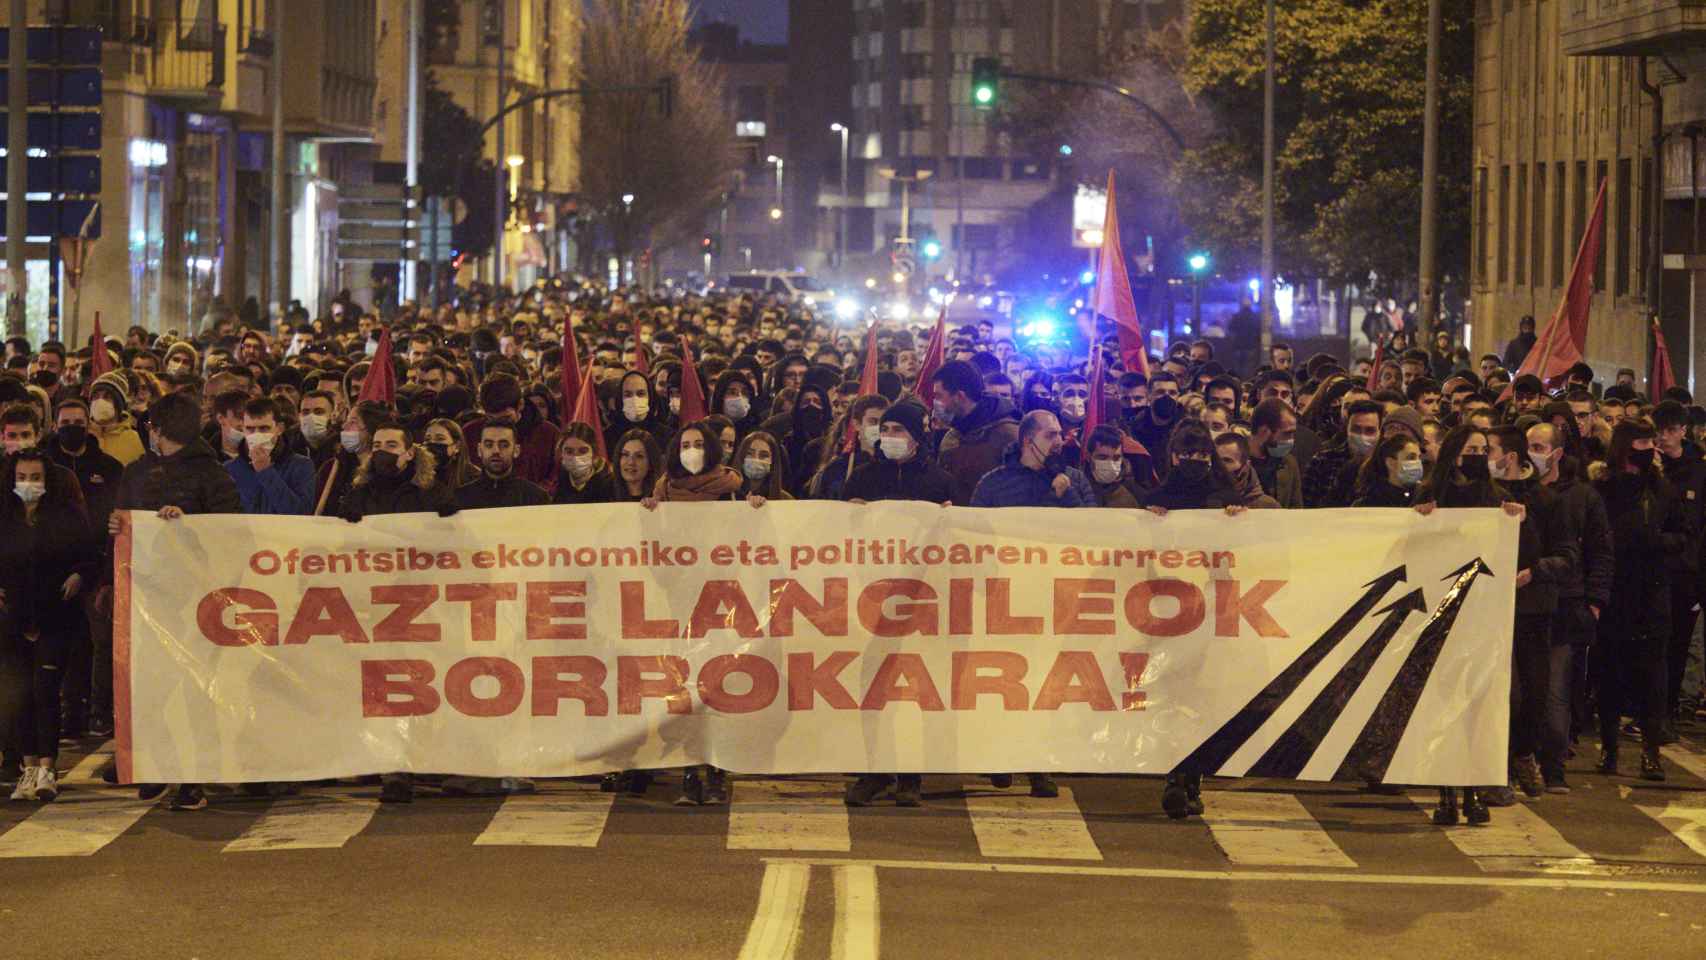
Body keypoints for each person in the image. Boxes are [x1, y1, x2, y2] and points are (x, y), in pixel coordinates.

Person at [108, 391, 241, 810]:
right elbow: (122, 521)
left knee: (194, 693)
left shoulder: (212, 475)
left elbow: (232, 532)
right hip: (147, 597)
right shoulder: (136, 472)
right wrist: (116, 525)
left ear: (159, 429)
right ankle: (157, 768)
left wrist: (187, 525)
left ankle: (193, 778)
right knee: (151, 689)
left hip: (196, 601)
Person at [967, 409, 1096, 800]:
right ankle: (1000, 758)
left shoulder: (1073, 481)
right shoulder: (994, 484)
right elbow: (972, 537)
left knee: (1045, 684)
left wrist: (1068, 496)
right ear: (1029, 441)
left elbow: (1096, 531)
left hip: (1056, 600)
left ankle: (1039, 765)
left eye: (1061, 434)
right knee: (1002, 684)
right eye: (1052, 434)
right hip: (1004, 599)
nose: (1060, 441)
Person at [641, 421, 766, 805]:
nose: (691, 450)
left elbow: (753, 544)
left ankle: (717, 771)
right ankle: (691, 770)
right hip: (680, 603)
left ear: (711, 450)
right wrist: (650, 517)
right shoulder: (663, 492)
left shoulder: (731, 491)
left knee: (718, 687)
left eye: (697, 444)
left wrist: (755, 510)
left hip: (721, 606)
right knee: (686, 687)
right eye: (684, 444)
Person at [1412, 425, 1524, 825]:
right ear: (1454, 453)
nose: (1478, 455)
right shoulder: (1431, 494)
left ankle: (1474, 790)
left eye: (1483, 449)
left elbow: (1513, 549)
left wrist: (1514, 520)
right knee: (1443, 704)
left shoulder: (1499, 499)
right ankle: (1446, 792)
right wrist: (1421, 519)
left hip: (1481, 615)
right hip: (1441, 615)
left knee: (1477, 702)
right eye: (1470, 448)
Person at [1486, 424, 1579, 801]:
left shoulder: (1546, 500)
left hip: (1533, 609)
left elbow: (1567, 556)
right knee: (1507, 695)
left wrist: (1535, 570)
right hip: (1492, 609)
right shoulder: (1485, 497)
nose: (1485, 459)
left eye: (1490, 451)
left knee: (1536, 695)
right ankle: (1498, 770)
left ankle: (1525, 752)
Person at [1, 448, 99, 802]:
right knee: (19, 695)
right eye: (22, 478)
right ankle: (27, 768)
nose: (29, 484)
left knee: (45, 690)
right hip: (12, 621)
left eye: (35, 477)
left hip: (56, 618)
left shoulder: (67, 516)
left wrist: (78, 575)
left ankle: (47, 766)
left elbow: (91, 557)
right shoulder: (4, 517)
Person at [1592, 419, 1684, 782]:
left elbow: (1682, 534)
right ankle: (1609, 748)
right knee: (1609, 673)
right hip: (1614, 593)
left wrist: (1657, 542)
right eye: (1642, 442)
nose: (1650, 448)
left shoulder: (1662, 489)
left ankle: (1651, 751)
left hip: (1652, 593)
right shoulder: (1603, 488)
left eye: (1651, 442)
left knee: (1652, 676)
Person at [1527, 418, 1612, 793]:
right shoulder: (1519, 493)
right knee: (1527, 689)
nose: (1532, 453)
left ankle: (1553, 765)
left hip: (1564, 604)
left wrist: (1594, 601)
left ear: (1557, 453)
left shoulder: (1582, 497)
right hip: (1526, 605)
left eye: (1539, 447)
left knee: (1556, 689)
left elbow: (1600, 551)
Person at [932, 361, 1021, 505]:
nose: (935, 402)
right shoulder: (952, 436)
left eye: (939, 396)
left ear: (960, 397)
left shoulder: (1009, 436)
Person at [225, 397, 316, 516]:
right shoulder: (230, 469)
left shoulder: (301, 466)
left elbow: (300, 514)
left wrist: (266, 472)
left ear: (279, 428)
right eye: (250, 429)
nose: (256, 435)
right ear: (243, 429)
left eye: (264, 429)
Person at [552, 423, 620, 504]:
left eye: (583, 451)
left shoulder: (612, 485)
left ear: (594, 454)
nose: (576, 457)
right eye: (569, 451)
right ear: (561, 453)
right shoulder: (557, 484)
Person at [1351, 434, 1422, 507]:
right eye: (1411, 458)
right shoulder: (1367, 504)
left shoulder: (1423, 498)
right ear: (1391, 463)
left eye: (1419, 457)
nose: (1418, 463)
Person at [733, 430, 793, 502]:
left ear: (773, 462)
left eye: (764, 455)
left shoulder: (785, 499)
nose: (756, 459)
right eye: (749, 453)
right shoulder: (727, 493)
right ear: (741, 456)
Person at [612, 428, 664, 502]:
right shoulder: (602, 490)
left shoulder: (663, 494)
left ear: (651, 463)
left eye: (639, 456)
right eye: (625, 454)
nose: (630, 462)